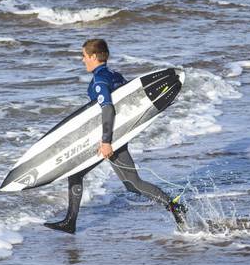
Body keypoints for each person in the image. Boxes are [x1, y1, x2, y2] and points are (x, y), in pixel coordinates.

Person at [43, 38, 187, 234]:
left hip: (109, 138)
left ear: (93, 56)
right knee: (121, 182)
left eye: (84, 56)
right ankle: (70, 222)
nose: (82, 60)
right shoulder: (115, 75)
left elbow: (108, 109)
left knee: (130, 184)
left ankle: (174, 207)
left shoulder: (99, 81)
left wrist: (106, 141)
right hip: (117, 134)